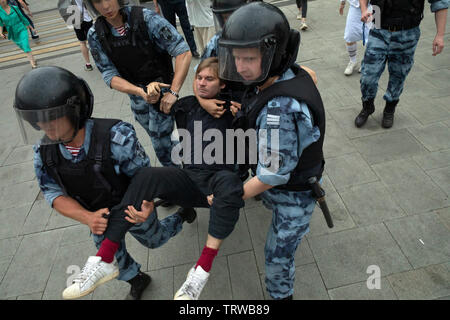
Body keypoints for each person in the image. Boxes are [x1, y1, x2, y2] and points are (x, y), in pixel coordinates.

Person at [63, 58, 246, 300]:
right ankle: (105, 258)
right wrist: (156, 91)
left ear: (223, 85)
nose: (201, 83)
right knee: (147, 175)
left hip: (218, 183)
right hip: (189, 182)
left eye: (209, 79)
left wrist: (242, 116)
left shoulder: (235, 107)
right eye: (198, 78)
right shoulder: (186, 106)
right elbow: (163, 99)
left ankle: (200, 271)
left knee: (231, 183)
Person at [13, 66, 197, 300]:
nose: (45, 127)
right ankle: (136, 278)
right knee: (109, 258)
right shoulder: (44, 151)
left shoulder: (115, 136)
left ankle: (182, 216)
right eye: (38, 121)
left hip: (131, 208)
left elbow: (143, 177)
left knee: (155, 240)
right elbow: (51, 191)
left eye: (52, 118)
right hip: (96, 215)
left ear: (74, 111)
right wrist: (86, 217)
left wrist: (146, 204)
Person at [216, 1, 326, 300]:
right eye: (236, 58)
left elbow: (274, 174)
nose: (240, 67)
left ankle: (281, 296)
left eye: (249, 58)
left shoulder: (278, 109)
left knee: (277, 258)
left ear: (274, 54)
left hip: (293, 195)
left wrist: (231, 196)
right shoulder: (287, 72)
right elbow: (311, 76)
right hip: (284, 180)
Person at [85, 0, 192, 168]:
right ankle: (185, 163)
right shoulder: (95, 34)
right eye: (98, 1)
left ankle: (178, 178)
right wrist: (139, 92)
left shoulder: (146, 19)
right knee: (159, 137)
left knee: (160, 143)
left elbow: (182, 51)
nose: (105, 6)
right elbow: (108, 73)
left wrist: (174, 92)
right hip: (138, 99)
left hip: (163, 92)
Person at [355, 0, 448, 129]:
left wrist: (440, 35)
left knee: (399, 75)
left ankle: (390, 108)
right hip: (378, 28)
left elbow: (440, 3)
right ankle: (367, 106)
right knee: (368, 75)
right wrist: (364, 9)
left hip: (407, 33)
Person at [0, 0, 36, 68]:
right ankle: (33, 58)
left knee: (25, 45)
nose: (2, 1)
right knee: (22, 46)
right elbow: (0, 23)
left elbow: (22, 17)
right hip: (12, 31)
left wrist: (31, 27)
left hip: (21, 28)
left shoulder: (14, 8)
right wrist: (1, 33)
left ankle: (32, 63)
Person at [339, 0, 372, 75]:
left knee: (372, 37)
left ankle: (366, 62)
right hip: (355, 7)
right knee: (350, 35)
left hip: (373, 7)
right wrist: (342, 3)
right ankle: (353, 61)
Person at [73, 0, 94, 71]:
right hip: (87, 19)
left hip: (76, 20)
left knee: (82, 42)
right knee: (93, 41)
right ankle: (100, 60)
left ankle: (88, 64)